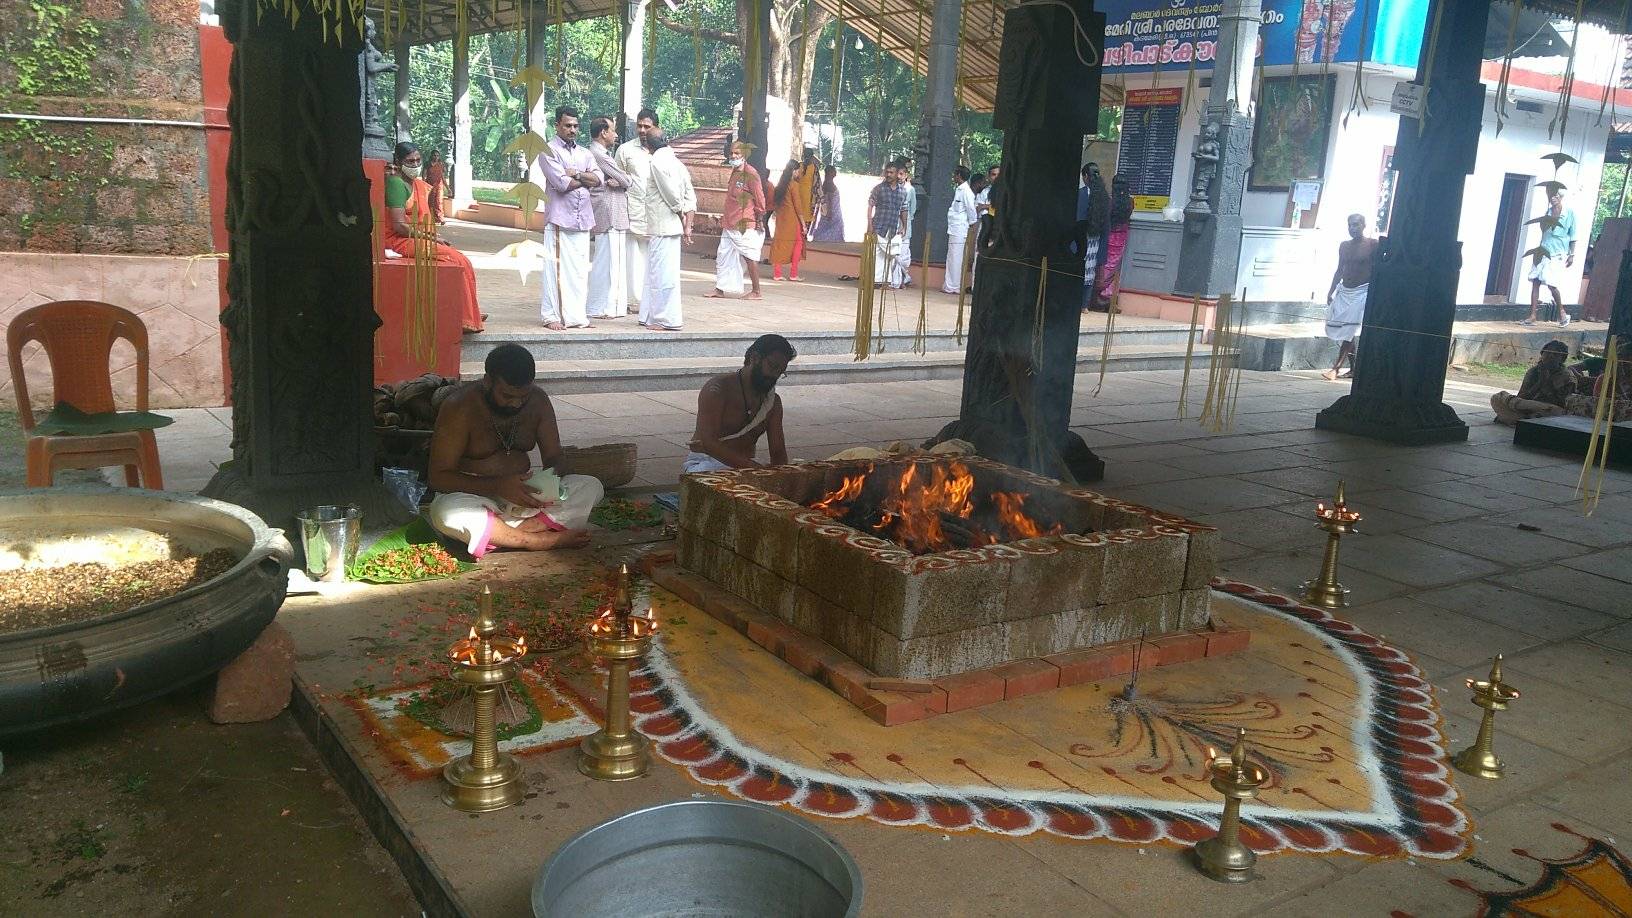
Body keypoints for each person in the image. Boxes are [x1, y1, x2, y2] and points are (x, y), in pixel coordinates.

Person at [425, 344, 602, 555]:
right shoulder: (460, 406)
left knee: (590, 486)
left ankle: (508, 534)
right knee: (445, 513)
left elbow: (555, 457)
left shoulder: (538, 401)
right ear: (488, 381)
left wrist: (547, 483)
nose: (516, 404)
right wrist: (498, 486)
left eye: (522, 397)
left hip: (526, 499)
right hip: (475, 497)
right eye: (507, 396)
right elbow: (438, 477)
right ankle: (536, 540)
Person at [382, 142, 483, 334]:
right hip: (397, 240)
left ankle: (469, 311)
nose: (415, 165)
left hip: (416, 237)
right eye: (410, 161)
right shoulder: (396, 183)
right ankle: (464, 317)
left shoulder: (419, 185)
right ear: (398, 162)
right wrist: (432, 238)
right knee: (454, 259)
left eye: (418, 160)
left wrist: (432, 236)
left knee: (463, 259)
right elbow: (399, 225)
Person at [683, 334, 796, 473]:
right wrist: (753, 468)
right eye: (772, 366)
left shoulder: (773, 403)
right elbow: (708, 443)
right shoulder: (718, 389)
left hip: (746, 469)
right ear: (754, 358)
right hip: (706, 463)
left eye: (780, 371)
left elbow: (778, 452)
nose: (775, 375)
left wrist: (782, 476)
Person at [537, 105, 603, 330]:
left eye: (575, 126)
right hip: (559, 219)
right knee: (555, 268)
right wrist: (585, 178)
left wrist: (576, 173)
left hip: (582, 219)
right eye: (567, 125)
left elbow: (599, 180)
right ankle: (552, 316)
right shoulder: (548, 150)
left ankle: (576, 317)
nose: (572, 130)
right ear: (557, 125)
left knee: (579, 271)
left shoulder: (585, 153)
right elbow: (561, 184)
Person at [639, 129, 696, 331]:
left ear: (648, 144)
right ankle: (651, 315)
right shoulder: (676, 162)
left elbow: (670, 193)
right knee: (661, 273)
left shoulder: (657, 162)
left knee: (660, 275)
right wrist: (687, 220)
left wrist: (680, 211)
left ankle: (664, 319)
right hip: (669, 227)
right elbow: (690, 193)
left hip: (664, 225)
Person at [586, 117, 633, 320]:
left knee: (604, 262)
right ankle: (608, 307)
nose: (615, 134)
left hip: (606, 213)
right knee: (612, 263)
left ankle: (600, 305)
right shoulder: (600, 155)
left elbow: (620, 180)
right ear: (603, 132)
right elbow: (625, 179)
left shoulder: (596, 153)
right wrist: (625, 179)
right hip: (610, 213)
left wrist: (621, 180)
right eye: (612, 130)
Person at [708, 142, 767, 300]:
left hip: (744, 224)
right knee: (723, 256)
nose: (733, 156)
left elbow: (760, 198)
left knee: (749, 255)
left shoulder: (751, 173)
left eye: (737, 153)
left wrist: (760, 219)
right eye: (731, 153)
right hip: (729, 223)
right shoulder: (734, 172)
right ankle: (720, 289)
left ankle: (756, 291)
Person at [1323, 213, 1379, 380]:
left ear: (1363, 225)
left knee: (1349, 329)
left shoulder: (1372, 244)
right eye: (1350, 225)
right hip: (1345, 291)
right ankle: (1354, 368)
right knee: (1342, 329)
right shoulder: (1344, 246)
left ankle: (1336, 368)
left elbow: (1378, 269)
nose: (1352, 228)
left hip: (1362, 291)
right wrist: (1331, 290)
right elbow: (1339, 269)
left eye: (1356, 224)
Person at [616, 108, 659, 310]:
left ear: (656, 128)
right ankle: (632, 300)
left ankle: (651, 300)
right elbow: (616, 179)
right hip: (631, 212)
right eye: (639, 126)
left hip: (656, 215)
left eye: (647, 126)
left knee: (653, 259)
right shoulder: (625, 150)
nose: (642, 130)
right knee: (632, 259)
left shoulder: (662, 152)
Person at [1491, 340, 1577, 425]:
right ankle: (1522, 420)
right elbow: (1521, 397)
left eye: (1555, 355)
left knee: (1554, 413)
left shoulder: (1567, 377)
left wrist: (1547, 383)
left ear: (1562, 359)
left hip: (1549, 409)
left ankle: (1515, 419)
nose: (1550, 356)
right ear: (1542, 354)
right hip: (1527, 407)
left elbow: (1564, 404)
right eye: (1547, 353)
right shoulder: (1534, 371)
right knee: (1498, 397)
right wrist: (1539, 384)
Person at [1525, 188, 1577, 327]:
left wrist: (1572, 255)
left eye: (1555, 196)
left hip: (1557, 253)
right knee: (1535, 280)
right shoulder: (1547, 212)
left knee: (1551, 284)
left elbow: (1573, 236)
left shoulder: (1569, 213)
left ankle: (1562, 313)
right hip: (1543, 250)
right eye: (1551, 196)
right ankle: (1533, 315)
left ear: (1560, 197)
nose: (1552, 198)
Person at [769, 149, 818, 280]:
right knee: (798, 243)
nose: (799, 172)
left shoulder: (780, 185)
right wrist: (803, 225)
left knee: (779, 243)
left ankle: (777, 273)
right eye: (798, 171)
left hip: (781, 219)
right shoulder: (794, 185)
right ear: (794, 171)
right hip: (792, 220)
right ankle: (794, 273)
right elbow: (798, 207)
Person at [1093, 172, 1134, 310]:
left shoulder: (1110, 201)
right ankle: (1108, 296)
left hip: (1109, 235)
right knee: (1114, 266)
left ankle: (1097, 294)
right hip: (1121, 237)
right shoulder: (1130, 202)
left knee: (1104, 264)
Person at [865, 161, 909, 289]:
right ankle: (874, 281)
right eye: (887, 172)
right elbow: (870, 206)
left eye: (891, 172)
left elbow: (904, 210)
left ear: (897, 174)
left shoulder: (903, 191)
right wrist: (869, 224)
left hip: (892, 227)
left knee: (889, 256)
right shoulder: (879, 188)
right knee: (875, 254)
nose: (888, 174)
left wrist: (904, 226)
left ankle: (885, 282)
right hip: (879, 225)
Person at [1076, 162, 1109, 310]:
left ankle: (1075, 303)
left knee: (1077, 270)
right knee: (1089, 273)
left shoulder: (1080, 195)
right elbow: (1106, 226)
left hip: (1079, 238)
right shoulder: (1105, 198)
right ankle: (1084, 305)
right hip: (1095, 240)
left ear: (1085, 176)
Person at [942, 166, 979, 294]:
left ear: (958, 175)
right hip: (954, 228)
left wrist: (973, 224)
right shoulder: (959, 190)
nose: (953, 176)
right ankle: (950, 284)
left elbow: (971, 210)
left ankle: (953, 286)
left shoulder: (966, 191)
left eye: (955, 174)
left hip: (960, 229)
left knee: (956, 257)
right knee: (952, 256)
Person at [809, 164, 845, 242]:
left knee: (824, 227)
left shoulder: (825, 183)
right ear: (830, 173)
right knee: (831, 229)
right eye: (834, 171)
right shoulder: (829, 184)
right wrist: (829, 212)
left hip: (829, 211)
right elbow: (829, 200)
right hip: (832, 212)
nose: (835, 173)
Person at [425, 149, 447, 224]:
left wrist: (448, 188)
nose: (436, 157)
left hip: (439, 186)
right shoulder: (427, 164)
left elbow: (443, 177)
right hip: (429, 185)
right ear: (431, 156)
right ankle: (431, 218)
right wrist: (424, 185)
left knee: (439, 202)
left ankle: (441, 218)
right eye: (434, 155)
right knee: (431, 202)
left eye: (437, 156)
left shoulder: (441, 164)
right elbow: (424, 175)